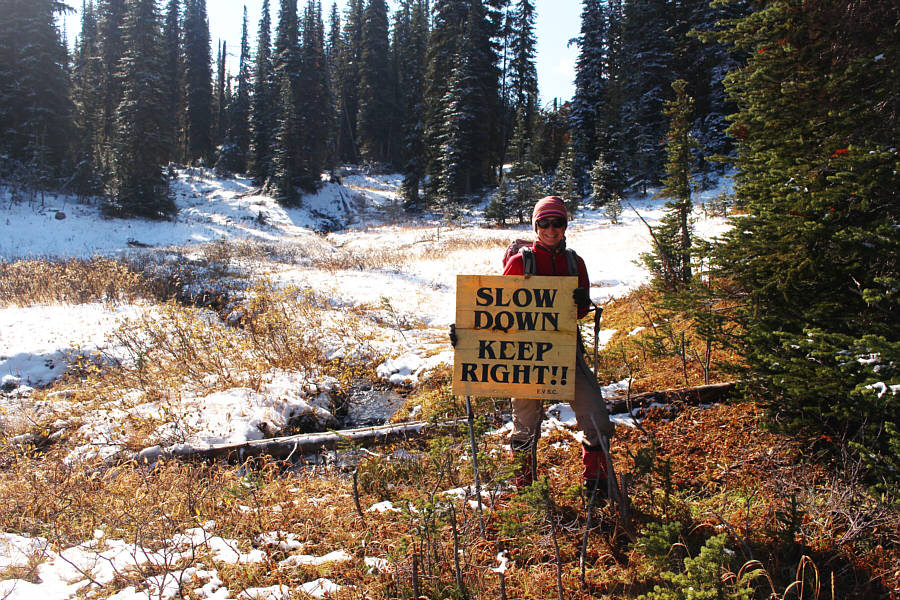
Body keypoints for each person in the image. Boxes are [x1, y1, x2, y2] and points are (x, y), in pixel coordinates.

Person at [485, 196, 615, 498]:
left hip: (566, 350)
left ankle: (595, 485)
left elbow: (579, 313)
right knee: (525, 429)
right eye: (544, 223)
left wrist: (582, 305)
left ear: (565, 225)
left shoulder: (574, 262)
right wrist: (466, 335)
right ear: (535, 226)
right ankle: (526, 494)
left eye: (557, 222)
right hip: (526, 357)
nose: (551, 229)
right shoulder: (521, 262)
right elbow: (497, 311)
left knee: (596, 418)